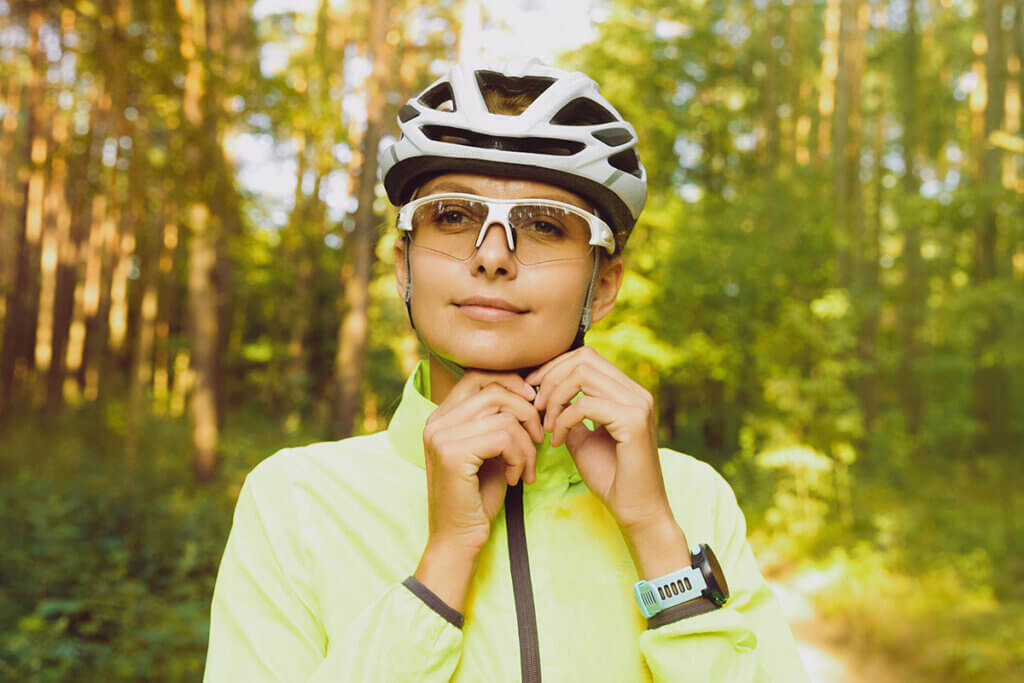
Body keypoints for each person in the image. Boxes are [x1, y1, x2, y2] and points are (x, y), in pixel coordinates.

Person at [203, 59, 809, 682]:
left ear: (602, 287)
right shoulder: (296, 499)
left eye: (545, 226)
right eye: (454, 217)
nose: (492, 256)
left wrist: (656, 537)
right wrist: (442, 566)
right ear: (402, 266)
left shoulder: (691, 496)